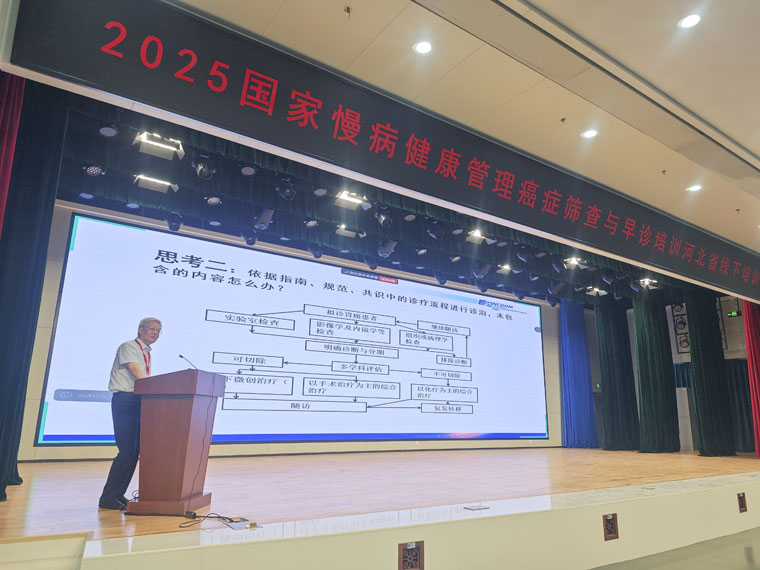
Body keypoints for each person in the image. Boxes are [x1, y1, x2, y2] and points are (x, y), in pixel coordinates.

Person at [98, 317, 162, 510]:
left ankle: (117, 494)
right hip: (125, 400)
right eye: (152, 329)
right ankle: (107, 497)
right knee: (126, 451)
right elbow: (135, 370)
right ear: (140, 330)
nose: (155, 333)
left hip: (138, 401)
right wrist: (154, 389)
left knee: (133, 452)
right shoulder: (129, 346)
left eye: (158, 331)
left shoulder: (146, 352)